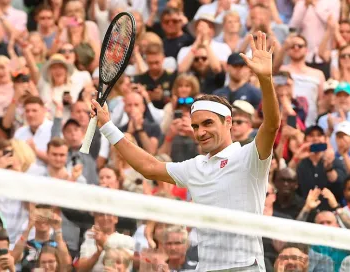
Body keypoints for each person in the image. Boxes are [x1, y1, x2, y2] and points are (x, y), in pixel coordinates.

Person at [90, 32, 280, 271]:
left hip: (245, 266)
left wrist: (265, 79)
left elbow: (272, 124)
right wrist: (107, 126)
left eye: (208, 123)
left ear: (229, 122)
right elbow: (148, 167)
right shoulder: (195, 166)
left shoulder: (249, 157)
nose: (200, 132)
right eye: (196, 126)